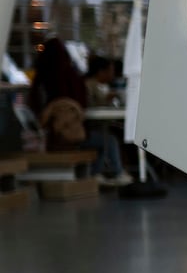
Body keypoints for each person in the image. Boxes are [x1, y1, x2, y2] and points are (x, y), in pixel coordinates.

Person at [28, 38, 129, 186]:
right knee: (108, 140)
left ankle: (98, 174)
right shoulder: (70, 79)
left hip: (48, 138)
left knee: (103, 139)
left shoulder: (39, 82)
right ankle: (110, 173)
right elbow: (82, 106)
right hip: (70, 137)